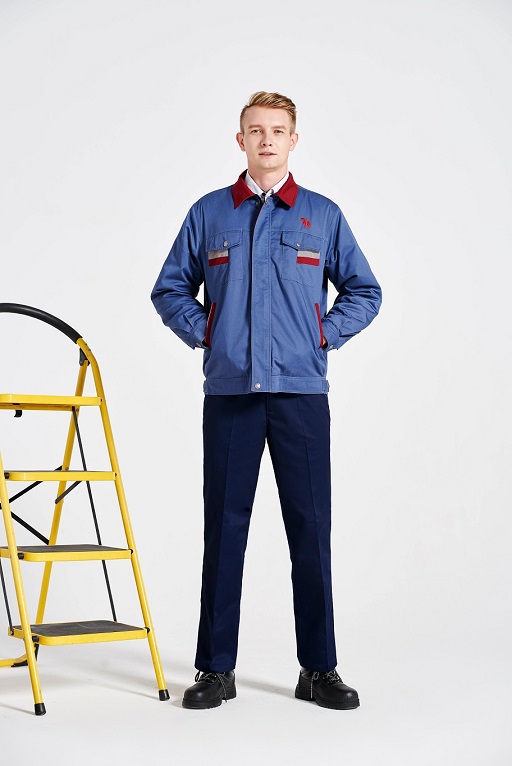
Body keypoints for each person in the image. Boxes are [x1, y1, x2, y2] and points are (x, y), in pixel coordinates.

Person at [151, 91, 381, 711]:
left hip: (301, 395)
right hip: (231, 395)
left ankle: (320, 669)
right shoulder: (209, 214)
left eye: (278, 131)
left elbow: (364, 290)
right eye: (256, 131)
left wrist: (322, 335)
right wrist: (209, 333)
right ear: (241, 140)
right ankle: (215, 669)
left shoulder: (321, 215)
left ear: (293, 140)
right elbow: (169, 289)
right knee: (224, 531)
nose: (267, 140)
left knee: (310, 530)